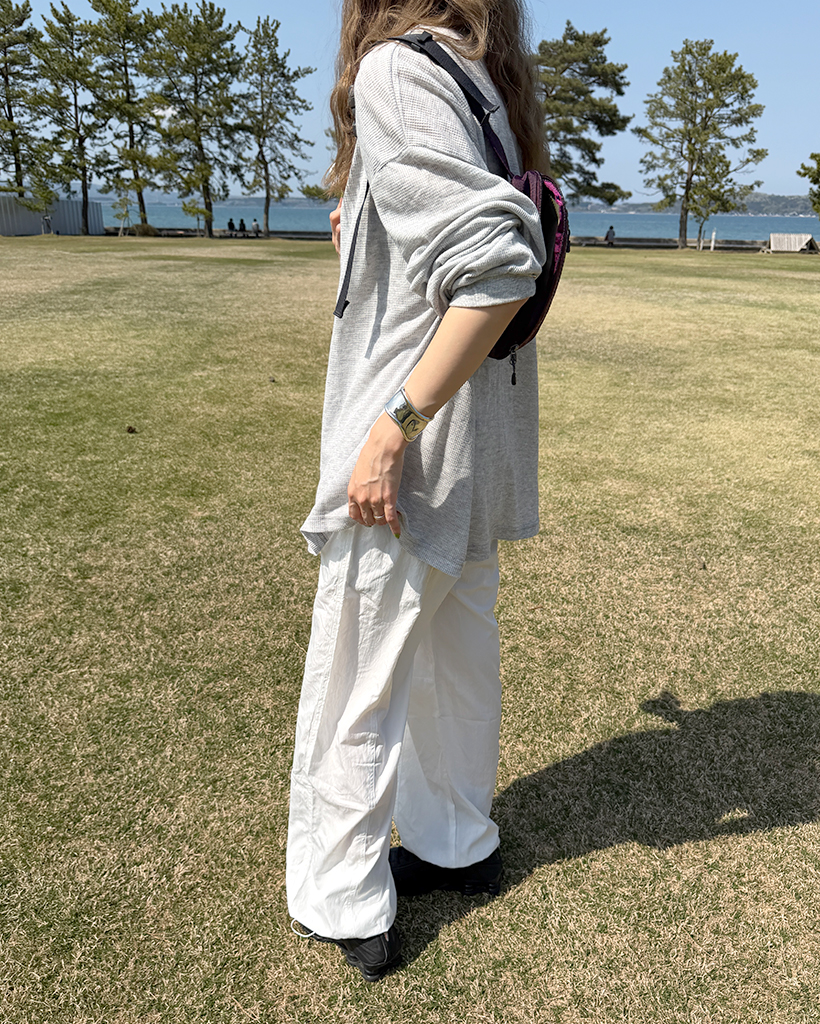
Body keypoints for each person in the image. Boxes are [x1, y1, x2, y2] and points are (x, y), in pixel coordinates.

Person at [287, 0, 548, 983]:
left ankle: (342, 894)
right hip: (482, 441)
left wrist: (393, 426)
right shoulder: (485, 81)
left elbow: (499, 267)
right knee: (453, 658)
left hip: (418, 451)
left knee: (358, 673)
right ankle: (455, 840)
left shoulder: (398, 72)